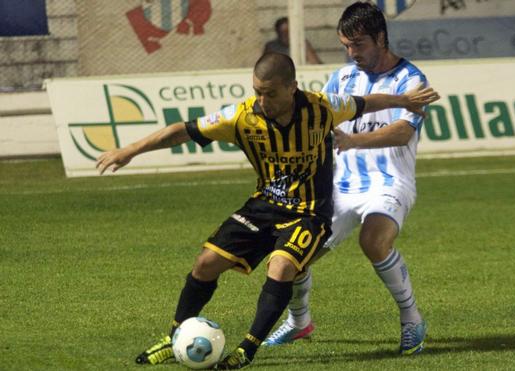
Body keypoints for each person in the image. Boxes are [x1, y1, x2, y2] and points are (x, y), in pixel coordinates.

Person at [96, 53, 438, 369]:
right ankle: (172, 338)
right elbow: (182, 131)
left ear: (292, 87)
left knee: (283, 265)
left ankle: (247, 349)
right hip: (264, 206)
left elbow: (364, 104)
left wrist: (402, 100)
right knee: (205, 262)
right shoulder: (242, 117)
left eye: (270, 93)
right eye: (257, 92)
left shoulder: (322, 107)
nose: (262, 101)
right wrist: (130, 150)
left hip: (309, 212)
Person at [264, 2, 431, 355]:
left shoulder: (411, 80)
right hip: (338, 187)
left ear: (381, 38)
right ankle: (299, 322)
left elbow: (402, 132)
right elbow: (322, 118)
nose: (351, 53)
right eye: (346, 45)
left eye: (359, 45)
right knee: (292, 254)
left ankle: (412, 319)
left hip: (389, 183)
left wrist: (352, 140)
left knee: (374, 242)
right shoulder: (342, 77)